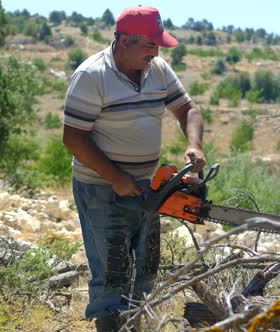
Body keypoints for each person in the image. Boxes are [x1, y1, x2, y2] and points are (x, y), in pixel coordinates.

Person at [62, 5, 205, 331]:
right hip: (101, 189)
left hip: (145, 186)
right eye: (149, 45)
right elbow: (74, 138)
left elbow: (188, 110)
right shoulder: (91, 76)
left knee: (144, 268)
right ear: (124, 41)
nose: (155, 52)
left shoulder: (158, 70)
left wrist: (195, 145)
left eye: (158, 45)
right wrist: (116, 178)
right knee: (113, 274)